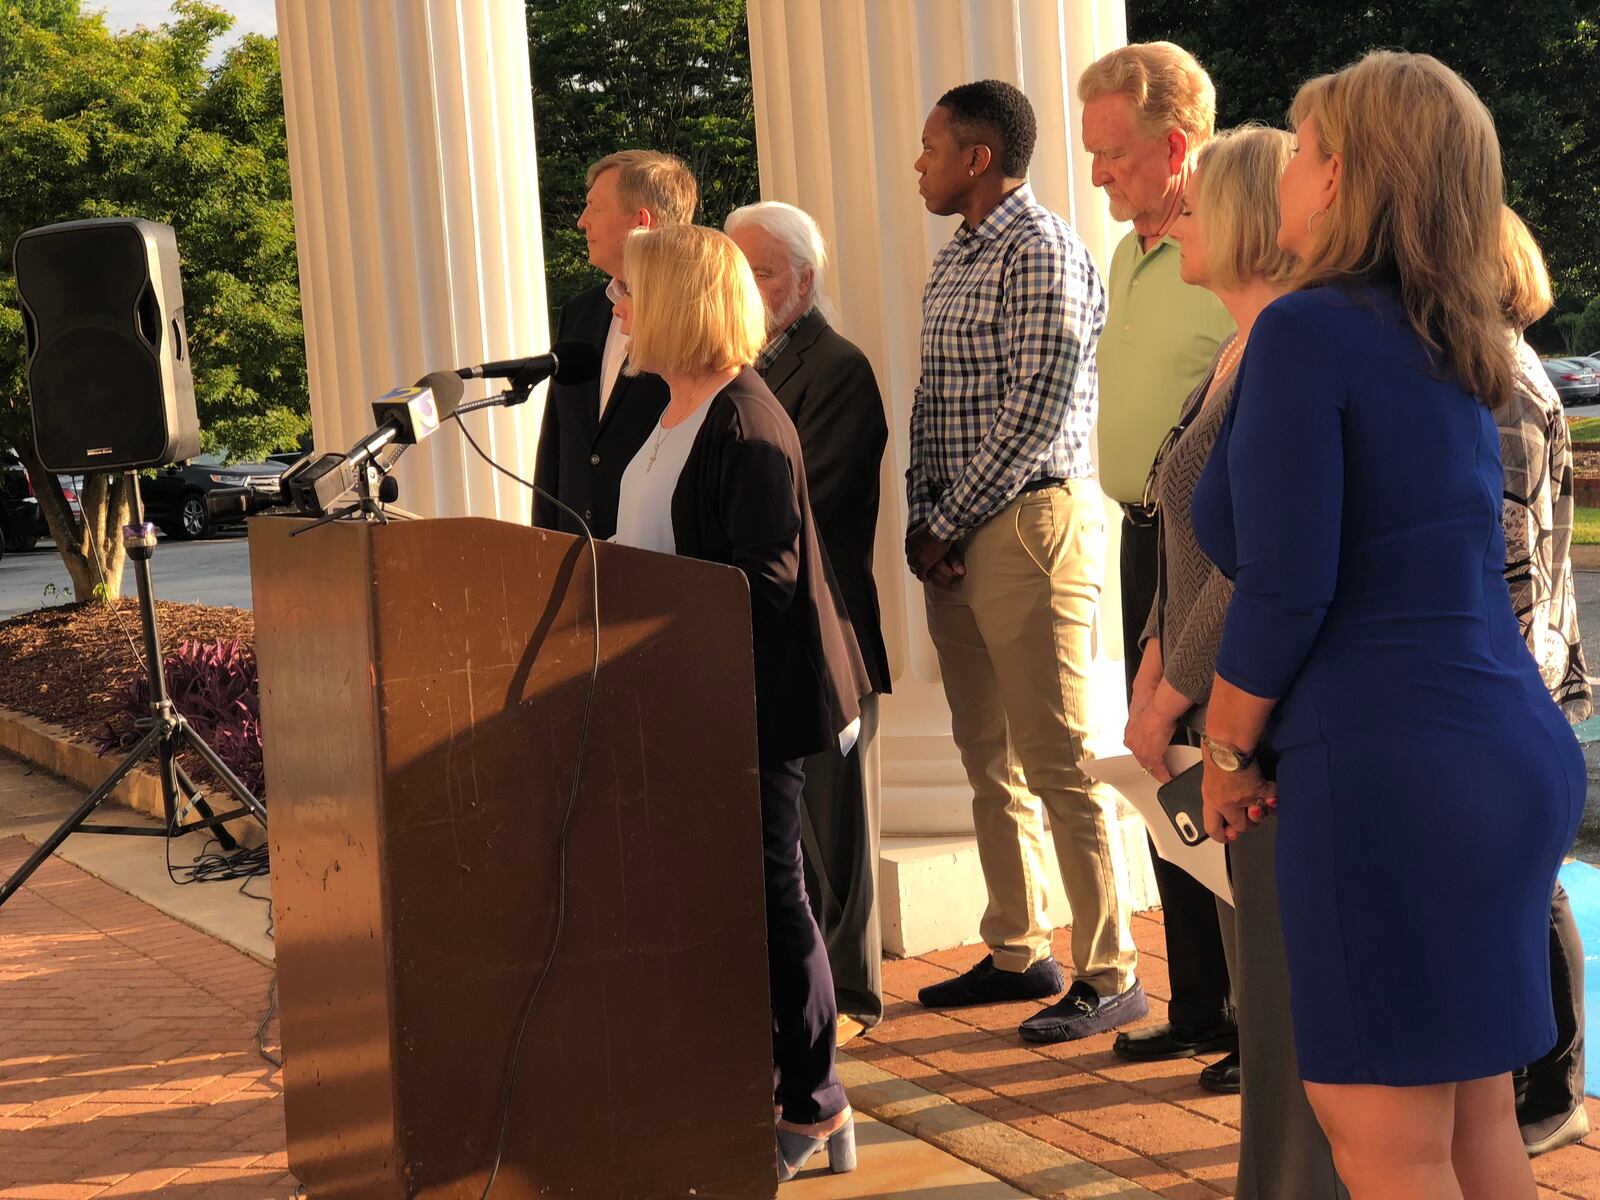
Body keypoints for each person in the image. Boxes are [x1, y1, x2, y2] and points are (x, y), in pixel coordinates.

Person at [1192, 51, 1584, 1199]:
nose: (1284, 176)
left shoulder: (1312, 331)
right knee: (1472, 1132)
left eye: (1302, 152)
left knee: (1384, 1144)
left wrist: (1221, 749)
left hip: (1389, 770)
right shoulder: (1451, 333)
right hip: (1501, 752)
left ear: (1342, 173)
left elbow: (1285, 583)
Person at [608, 223, 870, 1182]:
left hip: (748, 707)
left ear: (677, 303)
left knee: (770, 900)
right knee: (722, 900)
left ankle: (814, 1101)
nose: (617, 309)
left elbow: (762, 582)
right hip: (682, 702)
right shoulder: (671, 410)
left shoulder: (746, 418)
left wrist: (646, 624)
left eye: (629, 295)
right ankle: (759, 1082)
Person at [1124, 125, 1348, 1200]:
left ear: (1255, 218)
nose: (1174, 218)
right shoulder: (1235, 347)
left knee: (1293, 1004)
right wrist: (1155, 656)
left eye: (1197, 201)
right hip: (1216, 699)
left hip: (1257, 725)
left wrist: (1181, 697)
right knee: (1267, 999)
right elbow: (1187, 530)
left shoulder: (1282, 351)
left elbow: (1260, 562)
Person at [905, 79, 1142, 1043]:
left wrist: (949, 518)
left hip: (1026, 529)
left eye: (930, 148)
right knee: (985, 754)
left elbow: (1035, 409)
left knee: (1058, 757)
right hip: (958, 535)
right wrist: (929, 517)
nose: (917, 164)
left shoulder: (1043, 251)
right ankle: (1017, 947)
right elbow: (935, 404)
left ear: (978, 159)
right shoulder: (960, 252)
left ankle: (1110, 968)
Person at [1078, 42, 1239, 1087]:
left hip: (1217, 548)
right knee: (1157, 763)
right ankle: (1195, 1003)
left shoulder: (1235, 242)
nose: (1096, 174)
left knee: (1221, 767)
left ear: (1176, 148)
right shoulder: (1134, 246)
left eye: (1114, 155)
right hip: (1145, 536)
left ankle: (1248, 1017)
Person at [726, 200, 891, 1031]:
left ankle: (854, 996)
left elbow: (811, 507)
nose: (749, 289)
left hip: (828, 635)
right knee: (792, 842)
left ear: (804, 279)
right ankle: (806, 998)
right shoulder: (738, 369)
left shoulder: (837, 369)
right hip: (770, 637)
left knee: (837, 836)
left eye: (761, 272)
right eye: (740, 272)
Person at [1497, 204, 1592, 1158]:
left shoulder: (1508, 388)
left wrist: (1506, 695)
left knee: (1539, 887)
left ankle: (1558, 1085)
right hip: (1521, 679)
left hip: (1524, 680)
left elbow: (1518, 559)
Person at [532, 150, 696, 538]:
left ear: (641, 221)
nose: (581, 221)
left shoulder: (696, 318)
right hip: (574, 561)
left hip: (659, 561)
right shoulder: (580, 312)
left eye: (593, 207)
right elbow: (557, 443)